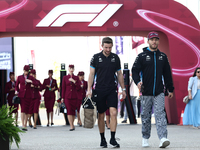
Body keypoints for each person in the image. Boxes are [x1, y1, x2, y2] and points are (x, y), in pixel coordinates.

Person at [132, 31, 174, 148]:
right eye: (152, 39)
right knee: (146, 116)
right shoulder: (142, 56)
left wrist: (170, 89)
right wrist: (137, 82)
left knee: (160, 115)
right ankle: (145, 137)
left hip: (159, 92)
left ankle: (163, 138)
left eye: (156, 39)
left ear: (158, 41)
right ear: (148, 41)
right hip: (146, 92)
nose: (154, 41)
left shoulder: (163, 57)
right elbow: (134, 71)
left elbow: (167, 74)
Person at [87, 37, 126, 148]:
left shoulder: (115, 58)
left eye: (110, 47)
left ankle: (113, 139)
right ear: (102, 46)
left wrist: (123, 89)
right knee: (101, 115)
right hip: (99, 89)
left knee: (113, 113)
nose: (108, 49)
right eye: (106, 47)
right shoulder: (95, 58)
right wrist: (88, 90)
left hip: (112, 90)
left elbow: (119, 74)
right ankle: (103, 139)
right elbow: (91, 74)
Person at [15, 65, 37, 131]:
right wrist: (17, 91)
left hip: (28, 96)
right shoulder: (19, 77)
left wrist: (30, 81)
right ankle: (23, 125)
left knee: (27, 110)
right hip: (21, 96)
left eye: (27, 71)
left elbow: (36, 84)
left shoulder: (31, 77)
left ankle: (25, 124)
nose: (26, 72)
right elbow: (16, 86)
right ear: (23, 70)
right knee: (22, 110)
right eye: (25, 71)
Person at [61, 65, 81, 131]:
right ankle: (71, 125)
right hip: (67, 96)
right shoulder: (65, 77)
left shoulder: (76, 77)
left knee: (73, 111)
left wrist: (74, 81)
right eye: (70, 68)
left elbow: (79, 87)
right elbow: (63, 88)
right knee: (69, 110)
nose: (71, 69)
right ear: (68, 69)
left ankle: (72, 124)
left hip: (74, 96)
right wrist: (62, 97)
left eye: (72, 68)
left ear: (74, 69)